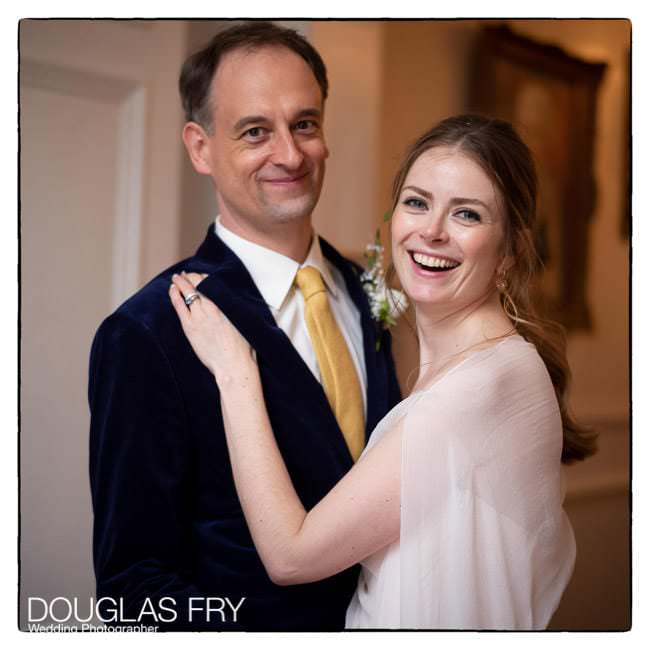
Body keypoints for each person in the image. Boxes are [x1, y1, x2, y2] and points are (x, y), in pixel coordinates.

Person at [169, 114, 597, 629]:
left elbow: (292, 556)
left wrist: (236, 374)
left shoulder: (481, 389)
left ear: (509, 252)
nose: (431, 232)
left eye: (467, 214)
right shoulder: (482, 363)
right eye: (417, 202)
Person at [88, 21, 401, 631]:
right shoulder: (147, 333)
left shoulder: (377, 292)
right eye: (255, 131)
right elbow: (131, 588)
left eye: (304, 124)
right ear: (200, 148)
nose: (289, 153)